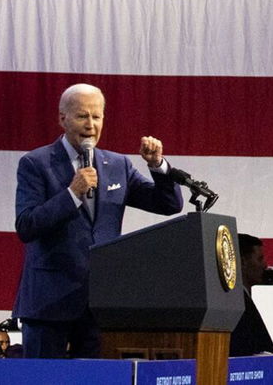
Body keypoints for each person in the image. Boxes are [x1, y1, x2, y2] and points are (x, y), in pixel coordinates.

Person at [13, 83, 184, 358]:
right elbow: (26, 225)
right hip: (48, 303)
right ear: (62, 118)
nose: (90, 124)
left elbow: (169, 205)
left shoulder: (118, 165)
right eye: (82, 116)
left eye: (97, 116)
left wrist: (157, 166)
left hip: (100, 303)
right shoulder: (35, 163)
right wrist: (72, 194)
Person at [230, 233, 273, 356]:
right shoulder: (237, 304)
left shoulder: (239, 300)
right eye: (259, 259)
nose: (265, 265)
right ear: (243, 261)